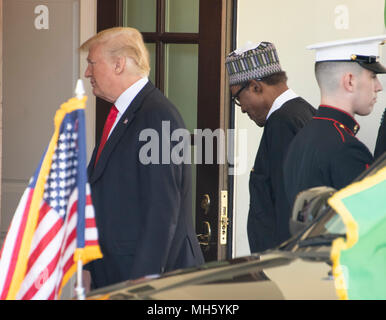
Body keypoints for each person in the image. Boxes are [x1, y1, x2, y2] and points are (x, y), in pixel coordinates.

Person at [80, 27, 204, 290]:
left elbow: (163, 204)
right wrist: (90, 265)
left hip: (146, 278)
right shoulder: (121, 114)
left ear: (118, 64)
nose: (87, 72)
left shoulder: (158, 116)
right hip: (113, 271)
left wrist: (145, 278)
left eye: (92, 63)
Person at [225, 42, 316, 253]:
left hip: (284, 262)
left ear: (256, 86)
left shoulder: (282, 123)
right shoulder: (304, 112)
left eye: (238, 99)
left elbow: (287, 203)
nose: (243, 109)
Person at [284, 35, 386, 210]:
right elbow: (366, 221)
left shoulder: (301, 139)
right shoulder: (346, 148)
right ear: (350, 81)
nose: (378, 86)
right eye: (372, 76)